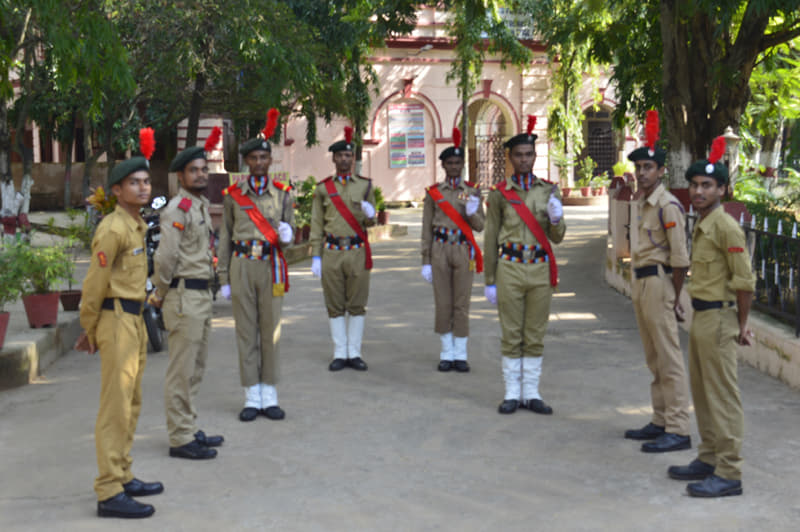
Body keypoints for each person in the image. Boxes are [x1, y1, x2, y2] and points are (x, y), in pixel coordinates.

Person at [75, 129, 163, 519]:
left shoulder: (136, 224)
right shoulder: (112, 229)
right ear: (118, 189)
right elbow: (94, 284)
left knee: (132, 401)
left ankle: (124, 473)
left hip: (135, 319)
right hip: (114, 321)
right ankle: (109, 490)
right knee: (114, 407)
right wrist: (89, 328)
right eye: (135, 182)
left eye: (146, 181)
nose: (143, 187)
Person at [668, 136, 756, 498]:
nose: (699, 190)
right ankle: (707, 458)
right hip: (701, 318)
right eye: (694, 184)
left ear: (723, 189)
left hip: (720, 320)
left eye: (707, 185)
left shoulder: (725, 226)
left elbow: (744, 280)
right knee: (701, 394)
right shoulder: (703, 222)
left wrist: (744, 323)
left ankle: (729, 472)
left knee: (721, 396)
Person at [484, 115, 565, 415]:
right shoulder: (499, 194)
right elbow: (491, 236)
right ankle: (511, 392)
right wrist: (489, 279)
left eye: (528, 154)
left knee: (534, 332)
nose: (523, 159)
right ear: (510, 157)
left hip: (540, 268)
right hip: (510, 268)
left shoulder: (549, 191)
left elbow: (557, 237)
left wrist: (556, 219)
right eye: (518, 154)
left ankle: (531, 392)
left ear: (535, 156)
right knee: (511, 332)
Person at [150, 131, 224, 460]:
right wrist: (160, 293)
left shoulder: (200, 205)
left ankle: (189, 427)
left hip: (201, 296)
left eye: (204, 170)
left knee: (196, 368)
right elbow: (165, 258)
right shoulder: (176, 209)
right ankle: (180, 438)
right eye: (194, 170)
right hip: (183, 297)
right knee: (181, 370)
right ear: (180, 176)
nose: (201, 175)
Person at [217, 109, 295, 422]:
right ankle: (252, 395)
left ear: (270, 161)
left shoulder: (283, 194)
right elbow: (224, 236)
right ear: (247, 162)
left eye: (265, 157)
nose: (260, 163)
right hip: (242, 265)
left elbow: (288, 231)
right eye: (254, 158)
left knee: (270, 330)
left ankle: (270, 394)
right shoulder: (234, 196)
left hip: (271, 265)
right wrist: (223, 275)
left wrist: (288, 236)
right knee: (246, 331)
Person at [624, 111, 692, 453]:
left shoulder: (668, 206)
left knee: (669, 358)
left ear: (661, 170)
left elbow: (680, 259)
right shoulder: (642, 203)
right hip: (641, 284)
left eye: (648, 167)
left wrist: (676, 296)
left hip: (661, 285)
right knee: (653, 357)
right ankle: (660, 419)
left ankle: (679, 428)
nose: (641, 173)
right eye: (638, 168)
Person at [310, 126, 376, 371]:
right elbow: (317, 224)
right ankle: (340, 352)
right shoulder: (322, 189)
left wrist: (371, 214)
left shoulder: (365, 186)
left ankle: (354, 352)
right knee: (335, 303)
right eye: (340, 156)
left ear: (353, 158)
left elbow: (371, 221)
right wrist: (315, 256)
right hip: (332, 252)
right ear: (334, 159)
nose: (345, 159)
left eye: (349, 156)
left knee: (357, 303)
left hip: (358, 251)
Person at [420, 128, 484, 372]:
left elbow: (480, 226)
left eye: (458, 162)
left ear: (462, 165)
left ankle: (461, 354)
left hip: (463, 249)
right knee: (443, 302)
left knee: (462, 303)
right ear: (444, 166)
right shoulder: (434, 193)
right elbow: (426, 228)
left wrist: (472, 213)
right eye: (450, 163)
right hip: (439, 249)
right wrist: (425, 259)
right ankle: (446, 352)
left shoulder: (473, 191)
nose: (455, 166)